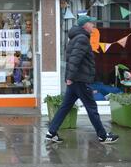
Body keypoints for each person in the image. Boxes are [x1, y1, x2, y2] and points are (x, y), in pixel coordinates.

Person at [46, 15, 119, 144]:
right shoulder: (82, 39)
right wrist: (70, 77)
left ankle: (51, 132)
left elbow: (71, 59)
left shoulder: (75, 38)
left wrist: (69, 78)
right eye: (91, 24)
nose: (93, 26)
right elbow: (75, 59)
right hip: (80, 80)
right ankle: (102, 136)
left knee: (65, 107)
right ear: (85, 25)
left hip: (75, 80)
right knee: (91, 107)